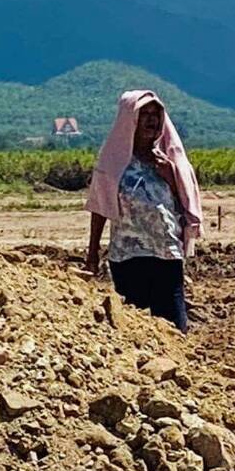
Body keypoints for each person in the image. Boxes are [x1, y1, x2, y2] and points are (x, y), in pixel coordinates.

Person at [85, 90, 203, 332]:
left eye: (155, 114)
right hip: (127, 256)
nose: (151, 120)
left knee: (175, 328)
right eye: (144, 114)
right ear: (130, 120)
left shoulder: (170, 161)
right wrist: (92, 252)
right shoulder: (113, 161)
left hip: (166, 254)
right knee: (134, 329)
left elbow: (185, 203)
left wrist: (170, 176)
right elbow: (99, 206)